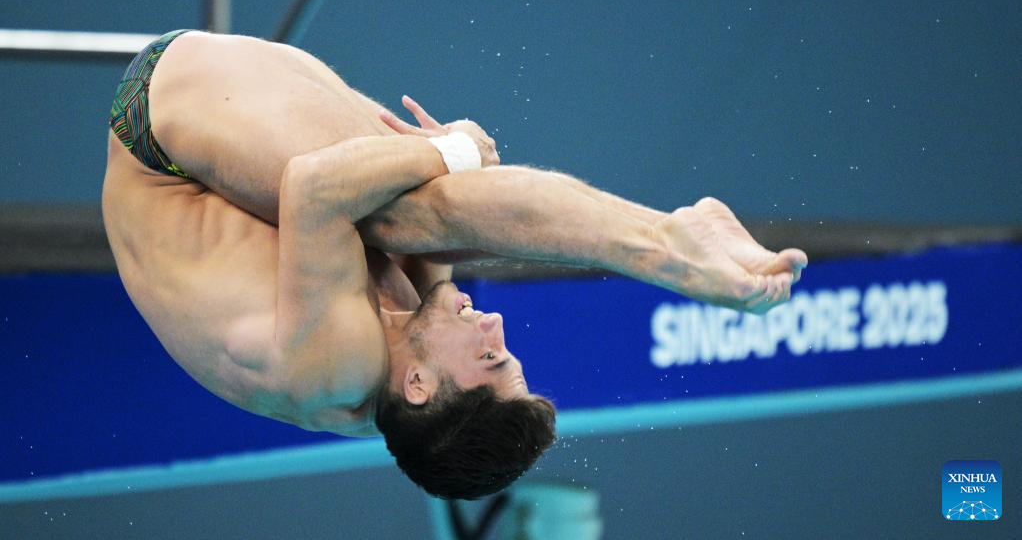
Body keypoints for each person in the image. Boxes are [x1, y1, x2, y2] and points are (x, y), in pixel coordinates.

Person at [102, 30, 807, 500]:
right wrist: (451, 167)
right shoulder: (405, 374)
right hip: (226, 116)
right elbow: (451, 229)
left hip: (159, 131)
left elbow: (313, 189)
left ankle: (665, 247)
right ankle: (666, 237)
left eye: (491, 357)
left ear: (419, 385)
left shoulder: (336, 370)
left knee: (406, 211)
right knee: (432, 218)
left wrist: (459, 150)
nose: (496, 324)